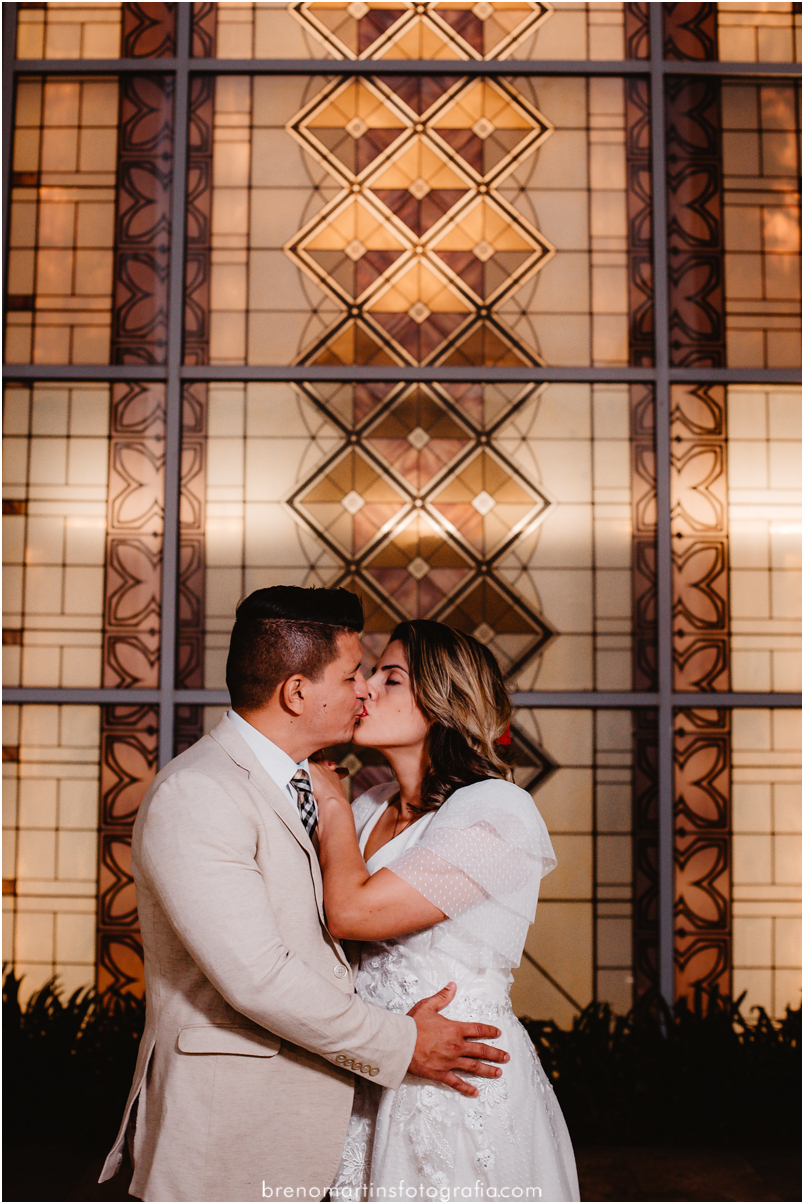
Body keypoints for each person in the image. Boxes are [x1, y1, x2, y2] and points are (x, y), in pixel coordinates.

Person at [99, 588, 510, 1203]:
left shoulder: (324, 787)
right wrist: (403, 1043)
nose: (363, 690)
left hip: (336, 1119)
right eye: (352, 675)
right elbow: (259, 979)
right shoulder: (199, 793)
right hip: (230, 1135)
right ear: (297, 692)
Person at [309, 619, 580, 1201]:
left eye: (392, 678)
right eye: (369, 674)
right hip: (372, 1069)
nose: (365, 689)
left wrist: (327, 801)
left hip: (458, 1080)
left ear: (443, 701)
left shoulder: (497, 811)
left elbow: (352, 913)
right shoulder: (369, 805)